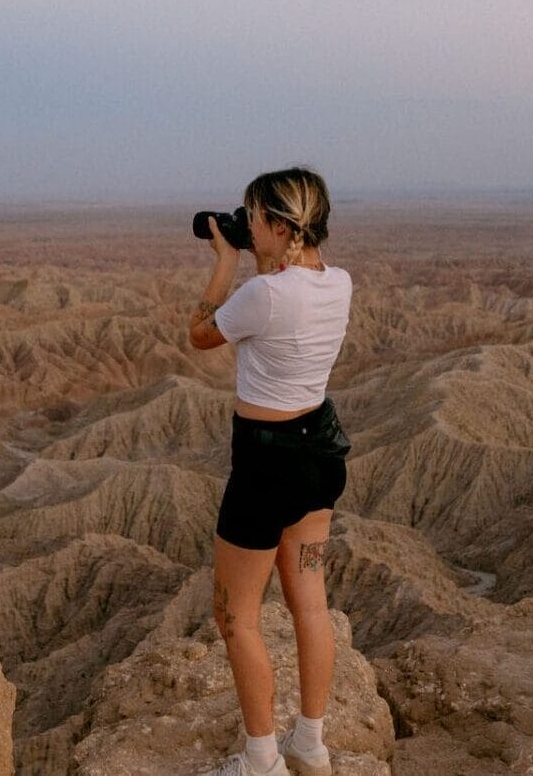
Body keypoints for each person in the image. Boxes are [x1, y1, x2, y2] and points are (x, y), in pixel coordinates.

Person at [187, 166, 352, 776]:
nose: (248, 226)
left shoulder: (262, 294)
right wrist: (262, 256)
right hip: (319, 455)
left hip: (264, 464)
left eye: (255, 218)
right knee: (310, 604)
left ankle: (261, 762)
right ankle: (310, 743)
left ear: (282, 227)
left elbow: (200, 335)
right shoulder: (340, 283)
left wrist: (226, 260)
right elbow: (289, 297)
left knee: (235, 615)